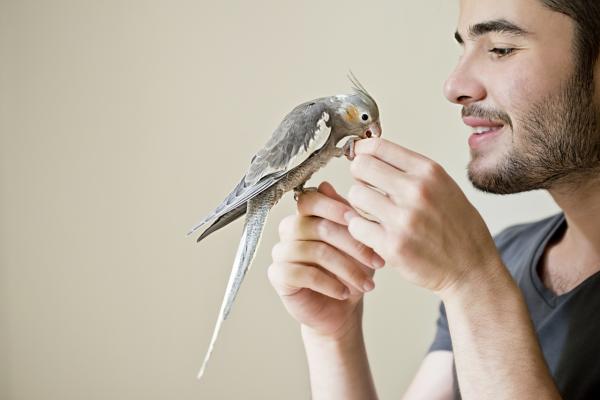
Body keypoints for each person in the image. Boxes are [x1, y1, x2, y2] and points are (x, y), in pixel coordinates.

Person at [267, 0, 600, 398]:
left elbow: (475, 279)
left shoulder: (483, 273)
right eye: (463, 49)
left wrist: (474, 282)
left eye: (500, 49)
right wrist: (333, 335)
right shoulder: (507, 256)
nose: (454, 86)